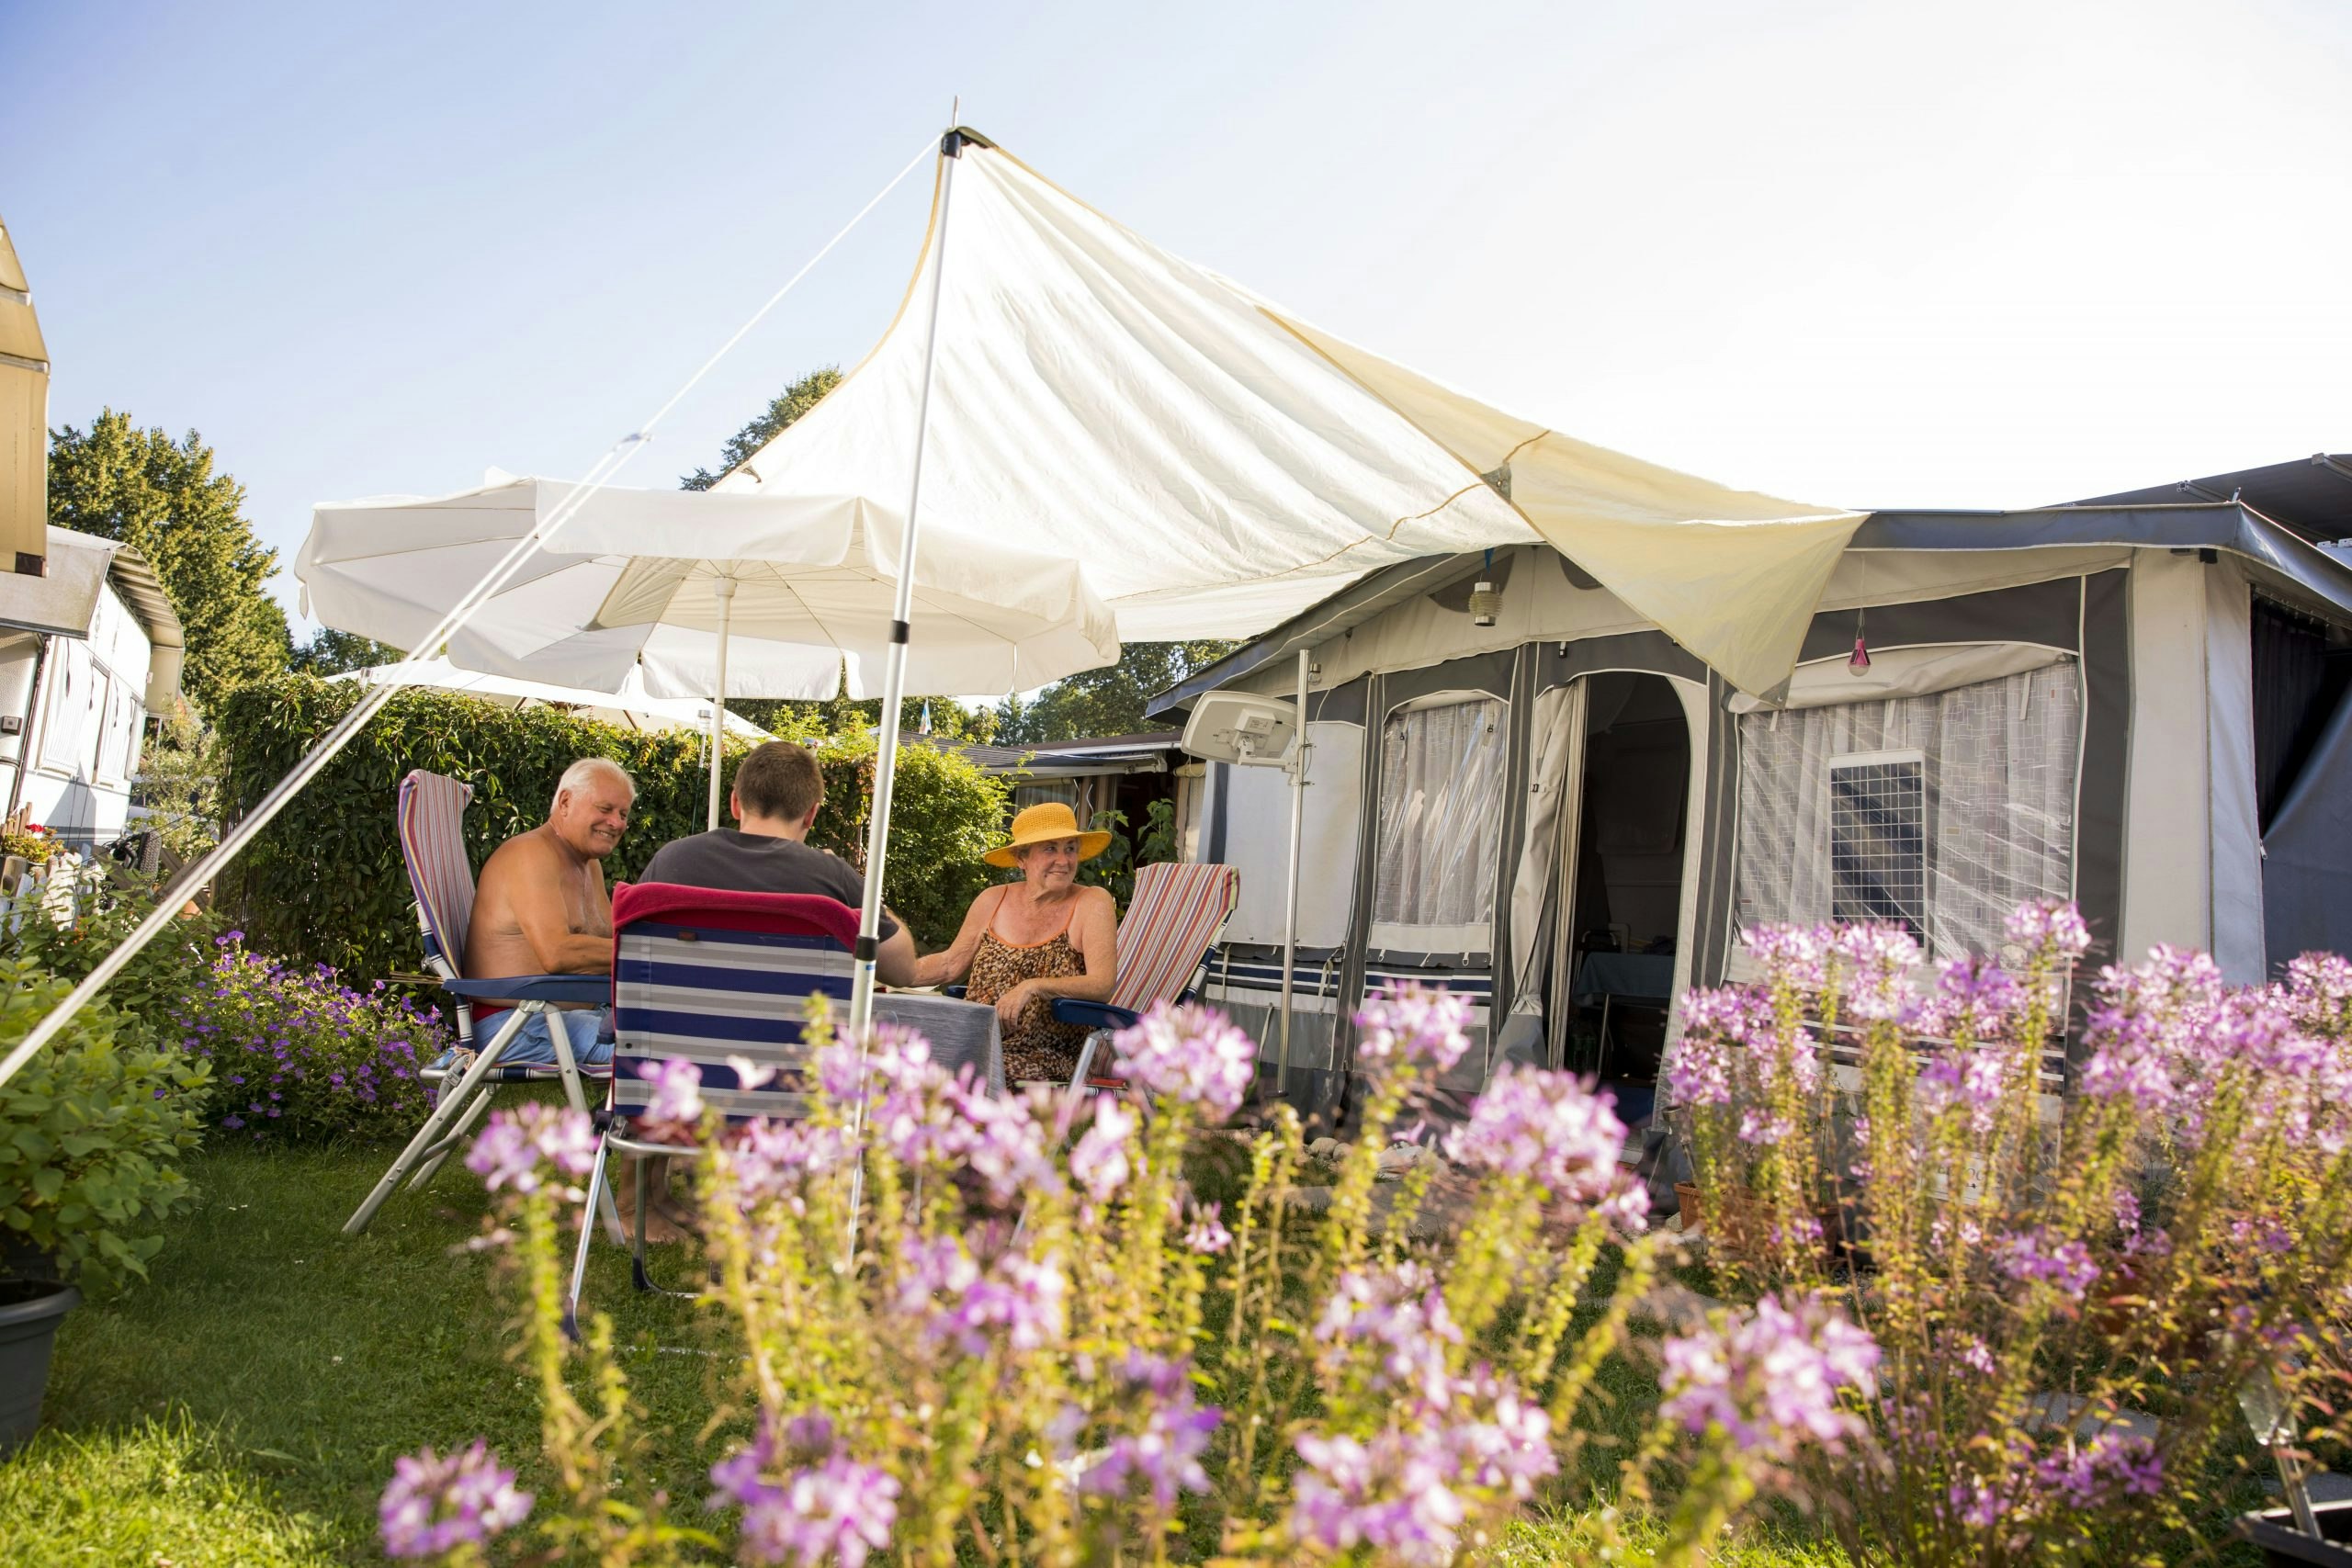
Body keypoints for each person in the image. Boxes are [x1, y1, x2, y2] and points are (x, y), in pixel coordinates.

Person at [641, 740, 918, 986]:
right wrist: (864, 896)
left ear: (735, 803)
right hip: (798, 1044)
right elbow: (904, 971)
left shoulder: (670, 860)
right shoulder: (833, 878)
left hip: (678, 1042)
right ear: (811, 814)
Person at [913, 801, 1118, 1087]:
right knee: (905, 1061)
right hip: (978, 1042)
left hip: (1047, 1055)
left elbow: (1103, 984)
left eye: (1070, 848)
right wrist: (885, 968)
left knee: (959, 1076)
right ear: (1022, 858)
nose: (1064, 860)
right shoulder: (992, 899)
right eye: (1050, 848)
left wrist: (1033, 985)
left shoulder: (1091, 902)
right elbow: (949, 965)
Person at [458, 756, 634, 1069]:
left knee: (678, 1029)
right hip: (518, 1025)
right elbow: (557, 953)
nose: (617, 823)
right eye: (605, 809)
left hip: (566, 1017)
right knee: (659, 1051)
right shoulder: (531, 854)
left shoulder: (588, 864)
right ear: (566, 802)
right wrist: (643, 954)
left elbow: (610, 942)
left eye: (623, 814)